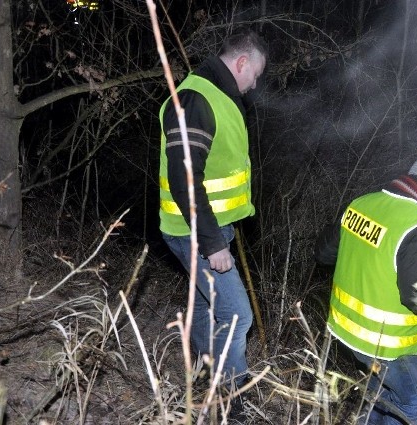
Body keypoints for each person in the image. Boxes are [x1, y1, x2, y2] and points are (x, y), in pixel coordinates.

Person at [315, 154, 417, 425]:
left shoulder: (360, 204)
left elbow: (323, 253)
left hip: (344, 329)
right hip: (384, 342)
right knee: (412, 400)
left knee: (379, 392)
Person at [158, 27, 267, 389]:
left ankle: (205, 372)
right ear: (241, 62)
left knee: (208, 308)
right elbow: (184, 176)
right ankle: (233, 393)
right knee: (237, 313)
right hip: (193, 231)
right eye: (255, 74)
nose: (254, 85)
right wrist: (213, 243)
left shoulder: (216, 94)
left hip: (204, 227)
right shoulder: (196, 98)